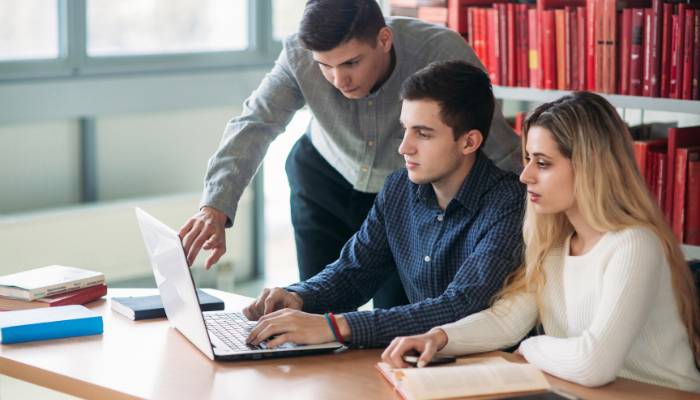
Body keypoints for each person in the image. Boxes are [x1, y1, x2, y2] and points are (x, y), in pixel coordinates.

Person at [178, 0, 521, 309]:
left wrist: (536, 217)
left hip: (403, 196)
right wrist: (215, 205)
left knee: (394, 316)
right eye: (325, 66)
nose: (338, 79)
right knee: (310, 303)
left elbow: (494, 143)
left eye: (351, 62)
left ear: (384, 40)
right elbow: (256, 122)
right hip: (323, 180)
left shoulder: (440, 51)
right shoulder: (299, 54)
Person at [381, 92, 700, 393]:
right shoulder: (557, 245)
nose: (525, 176)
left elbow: (594, 365)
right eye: (528, 159)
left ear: (590, 169)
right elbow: (506, 320)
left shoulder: (633, 244)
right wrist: (438, 337)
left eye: (543, 163)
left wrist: (531, 346)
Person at [242, 60, 525, 349]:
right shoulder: (399, 188)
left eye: (423, 134)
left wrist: (335, 327)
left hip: (489, 370)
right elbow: (354, 272)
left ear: (469, 142)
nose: (404, 147)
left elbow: (459, 308)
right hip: (420, 362)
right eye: (405, 130)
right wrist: (298, 296)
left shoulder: (509, 204)